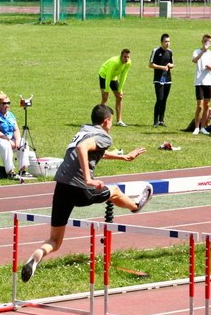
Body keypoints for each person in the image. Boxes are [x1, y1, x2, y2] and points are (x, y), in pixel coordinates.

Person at [20, 104, 152, 282]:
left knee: (55, 240)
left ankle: (35, 258)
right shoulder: (104, 136)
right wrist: (88, 179)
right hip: (80, 187)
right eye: (111, 122)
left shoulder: (83, 131)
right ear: (106, 121)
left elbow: (93, 150)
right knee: (114, 190)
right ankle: (135, 206)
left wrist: (122, 157)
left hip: (62, 186)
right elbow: (83, 148)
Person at [98, 49, 132, 127]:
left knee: (119, 97)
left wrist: (120, 89)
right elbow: (108, 75)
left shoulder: (128, 63)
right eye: (125, 57)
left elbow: (124, 75)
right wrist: (106, 90)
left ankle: (119, 121)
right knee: (105, 98)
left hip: (113, 77)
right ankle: (100, 120)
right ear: (121, 56)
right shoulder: (115, 62)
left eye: (128, 57)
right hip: (104, 75)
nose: (126, 59)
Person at [191, 33, 211, 135]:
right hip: (199, 82)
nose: (206, 43)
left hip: (208, 82)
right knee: (200, 106)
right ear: (202, 41)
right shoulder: (197, 51)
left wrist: (210, 68)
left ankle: (203, 127)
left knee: (206, 105)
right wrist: (203, 51)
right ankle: (196, 127)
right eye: (205, 41)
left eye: (208, 42)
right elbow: (194, 60)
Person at [149, 33, 174, 128]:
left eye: (169, 41)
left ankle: (161, 120)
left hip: (167, 79)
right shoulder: (156, 51)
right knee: (159, 98)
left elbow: (172, 64)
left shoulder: (170, 52)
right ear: (161, 42)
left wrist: (170, 65)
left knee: (164, 100)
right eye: (166, 41)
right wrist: (162, 67)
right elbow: (151, 64)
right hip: (158, 79)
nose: (167, 43)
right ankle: (155, 120)